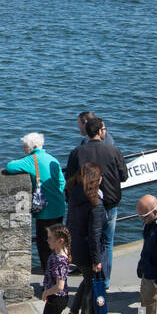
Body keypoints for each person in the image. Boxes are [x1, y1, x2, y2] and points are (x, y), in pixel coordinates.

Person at [65, 115, 127, 282]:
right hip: (109, 201)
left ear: (86, 131)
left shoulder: (77, 152)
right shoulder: (113, 151)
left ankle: (88, 276)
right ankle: (104, 281)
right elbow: (124, 176)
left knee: (87, 237)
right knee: (107, 241)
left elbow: (70, 178)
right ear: (100, 131)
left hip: (84, 202)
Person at [4, 132, 66, 271]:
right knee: (58, 244)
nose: (24, 150)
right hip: (59, 207)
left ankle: (50, 277)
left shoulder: (32, 159)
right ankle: (61, 274)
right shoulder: (53, 159)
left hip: (45, 211)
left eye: (26, 147)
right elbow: (62, 182)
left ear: (34, 146)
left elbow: (10, 166)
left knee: (45, 245)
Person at [39, 224, 87, 314]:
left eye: (50, 238)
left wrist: (46, 293)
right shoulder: (62, 252)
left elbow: (59, 286)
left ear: (60, 240)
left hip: (57, 297)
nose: (47, 241)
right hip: (57, 297)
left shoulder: (59, 259)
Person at [65, 163, 107, 314]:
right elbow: (95, 234)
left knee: (87, 280)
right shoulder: (95, 204)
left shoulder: (74, 194)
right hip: (88, 251)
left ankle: (73, 313)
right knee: (90, 285)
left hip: (75, 246)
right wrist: (97, 260)